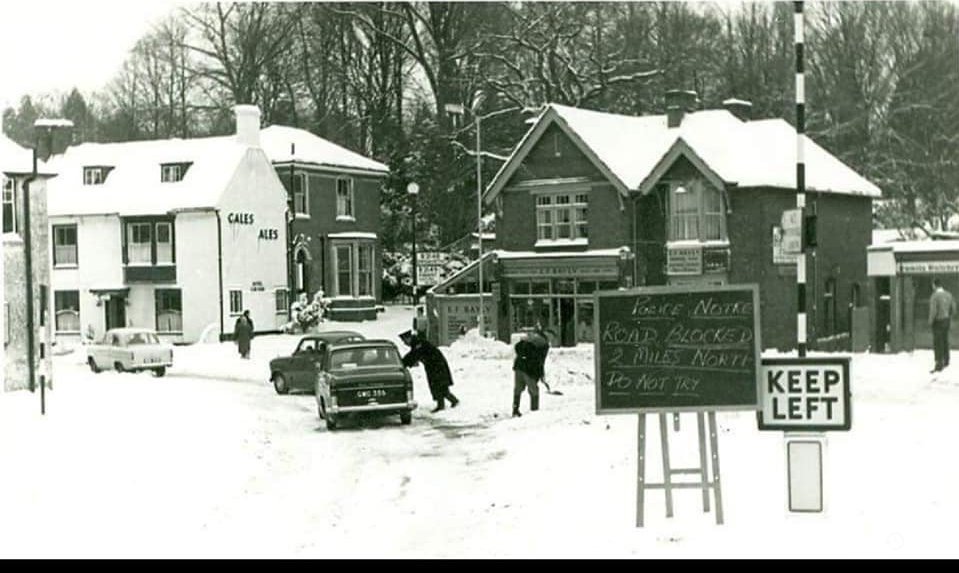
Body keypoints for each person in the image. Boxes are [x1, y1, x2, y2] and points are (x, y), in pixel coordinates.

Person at [399, 330, 459, 412]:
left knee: (440, 385)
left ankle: (451, 402)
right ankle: (444, 404)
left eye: (404, 341)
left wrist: (402, 363)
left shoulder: (418, 344)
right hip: (433, 366)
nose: (404, 343)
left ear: (408, 338)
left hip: (437, 366)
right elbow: (412, 354)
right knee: (437, 385)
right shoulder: (417, 343)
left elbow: (413, 355)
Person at [512, 326, 549, 417]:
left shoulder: (530, 339)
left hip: (518, 365)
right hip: (529, 368)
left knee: (518, 388)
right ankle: (534, 412)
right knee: (534, 390)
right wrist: (540, 374)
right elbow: (540, 361)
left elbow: (517, 348)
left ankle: (515, 410)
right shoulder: (544, 344)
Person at [929, 278, 956, 372]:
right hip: (946, 321)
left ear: (934, 285)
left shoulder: (934, 296)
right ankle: (947, 360)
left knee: (937, 342)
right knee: (945, 340)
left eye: (932, 285)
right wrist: (949, 316)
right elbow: (954, 308)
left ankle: (939, 363)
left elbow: (933, 311)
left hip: (938, 321)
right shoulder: (949, 294)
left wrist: (930, 321)